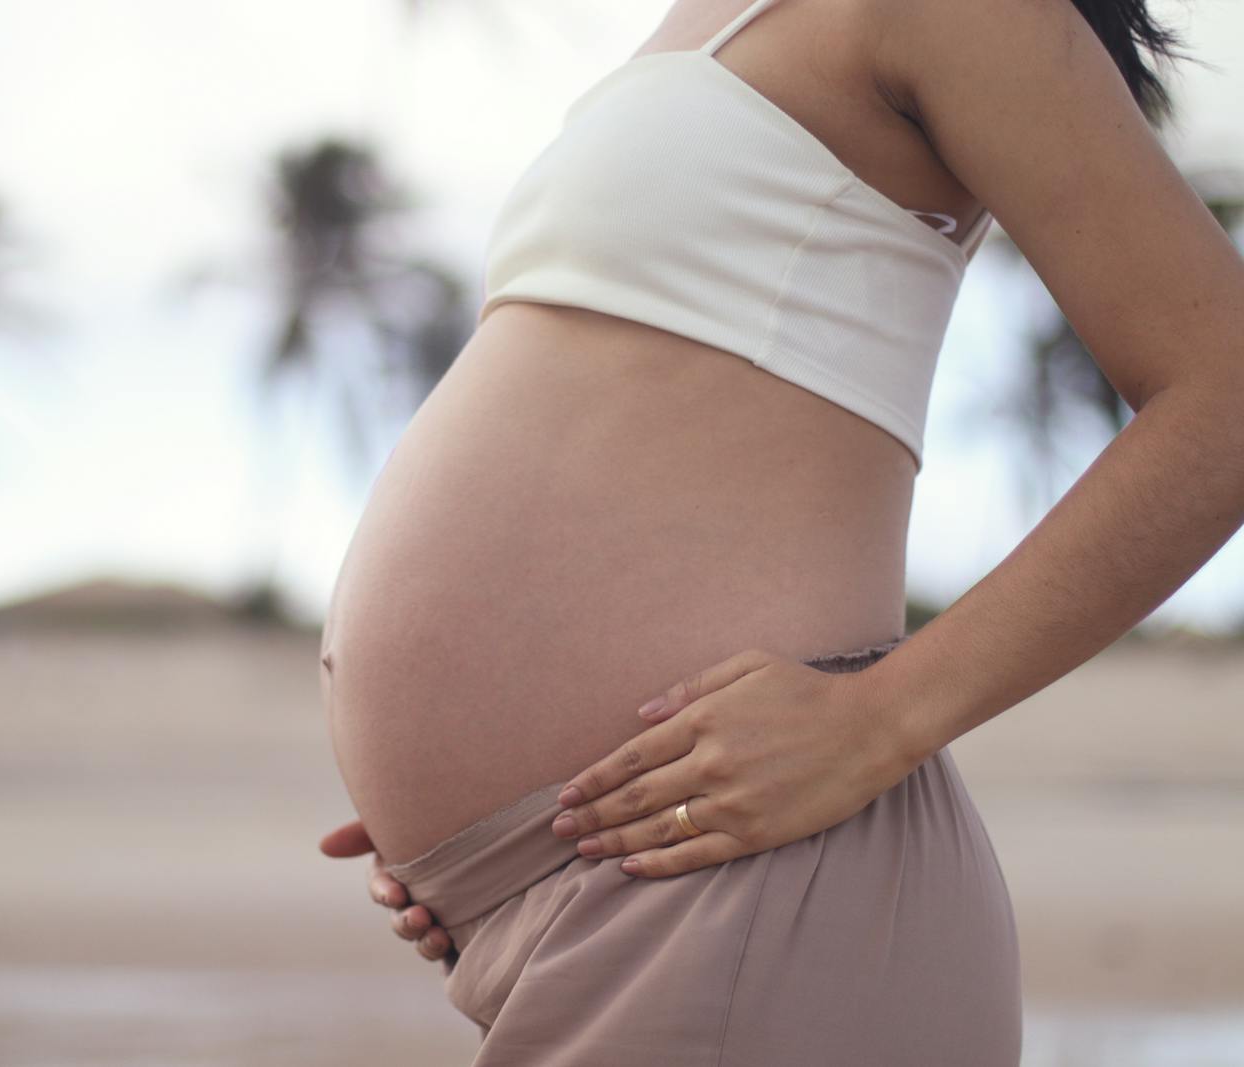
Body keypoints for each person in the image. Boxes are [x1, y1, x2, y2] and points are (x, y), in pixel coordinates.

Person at [317, 0, 1237, 1060]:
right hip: (610, 883)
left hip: (749, 885)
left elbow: (1225, 396)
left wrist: (879, 718)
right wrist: (461, 833)